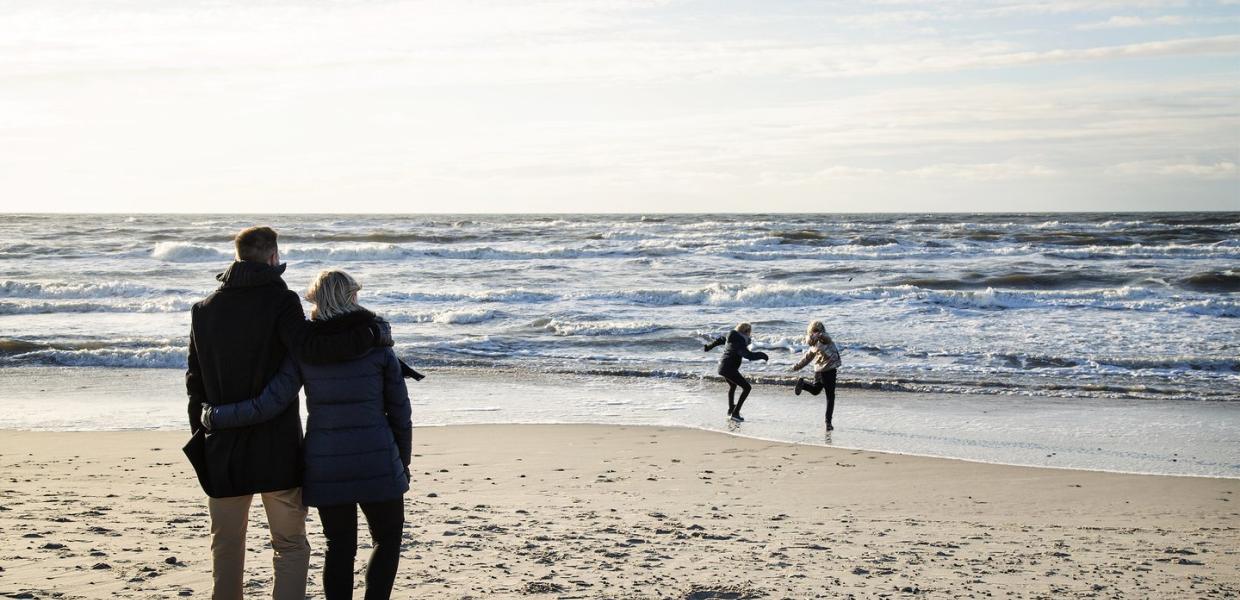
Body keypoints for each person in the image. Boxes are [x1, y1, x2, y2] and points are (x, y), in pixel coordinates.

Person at [186, 227, 390, 600]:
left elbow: (194, 383)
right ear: (274, 257)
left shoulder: (204, 310)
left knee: (226, 546)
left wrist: (204, 434)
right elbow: (310, 349)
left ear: (236, 257)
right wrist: (372, 335)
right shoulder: (281, 301)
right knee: (291, 544)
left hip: (223, 449)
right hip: (276, 449)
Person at [704, 322, 768, 421]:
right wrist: (762, 355)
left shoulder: (732, 337)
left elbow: (720, 340)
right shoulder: (739, 341)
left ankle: (731, 410)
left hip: (722, 367)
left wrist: (709, 347)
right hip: (729, 368)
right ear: (746, 331)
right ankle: (735, 413)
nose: (750, 335)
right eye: (749, 332)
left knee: (733, 386)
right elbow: (748, 355)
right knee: (747, 388)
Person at [790, 320, 842, 430]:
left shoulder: (814, 344)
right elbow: (827, 338)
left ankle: (803, 384)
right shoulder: (824, 338)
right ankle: (828, 423)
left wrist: (797, 366)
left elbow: (807, 358)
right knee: (830, 396)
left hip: (818, 370)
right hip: (829, 369)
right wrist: (820, 334)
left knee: (815, 390)